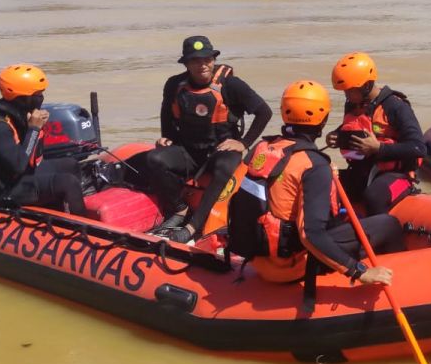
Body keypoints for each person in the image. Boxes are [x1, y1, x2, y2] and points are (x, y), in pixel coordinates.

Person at [227, 80, 402, 284]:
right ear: (324, 118)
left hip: (259, 258)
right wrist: (358, 271)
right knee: (388, 224)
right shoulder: (313, 165)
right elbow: (310, 234)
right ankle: (403, 277)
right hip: (291, 265)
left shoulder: (264, 147)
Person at [147, 36, 272, 242]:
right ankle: (179, 209)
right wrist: (166, 138)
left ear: (213, 60)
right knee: (154, 159)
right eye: (195, 61)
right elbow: (166, 114)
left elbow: (264, 112)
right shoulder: (174, 84)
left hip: (220, 151)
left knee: (225, 166)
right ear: (186, 64)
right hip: (188, 151)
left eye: (207, 59)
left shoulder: (232, 85)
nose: (202, 64)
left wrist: (244, 143)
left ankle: (193, 225)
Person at [0, 64, 86, 215]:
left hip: (7, 176)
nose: (41, 98)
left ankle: (63, 209)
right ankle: (83, 230)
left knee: (71, 165)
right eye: (37, 95)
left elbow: (30, 158)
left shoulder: (14, 111)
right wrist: (34, 129)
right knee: (68, 182)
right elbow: (19, 166)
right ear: (22, 98)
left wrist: (35, 128)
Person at [326, 52, 426, 215]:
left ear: (366, 86)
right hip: (362, 171)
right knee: (324, 184)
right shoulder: (353, 104)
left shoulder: (396, 107)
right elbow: (354, 125)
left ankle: (380, 236)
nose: (346, 95)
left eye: (350, 90)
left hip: (396, 176)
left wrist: (379, 148)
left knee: (373, 197)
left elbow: (419, 148)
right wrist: (337, 135)